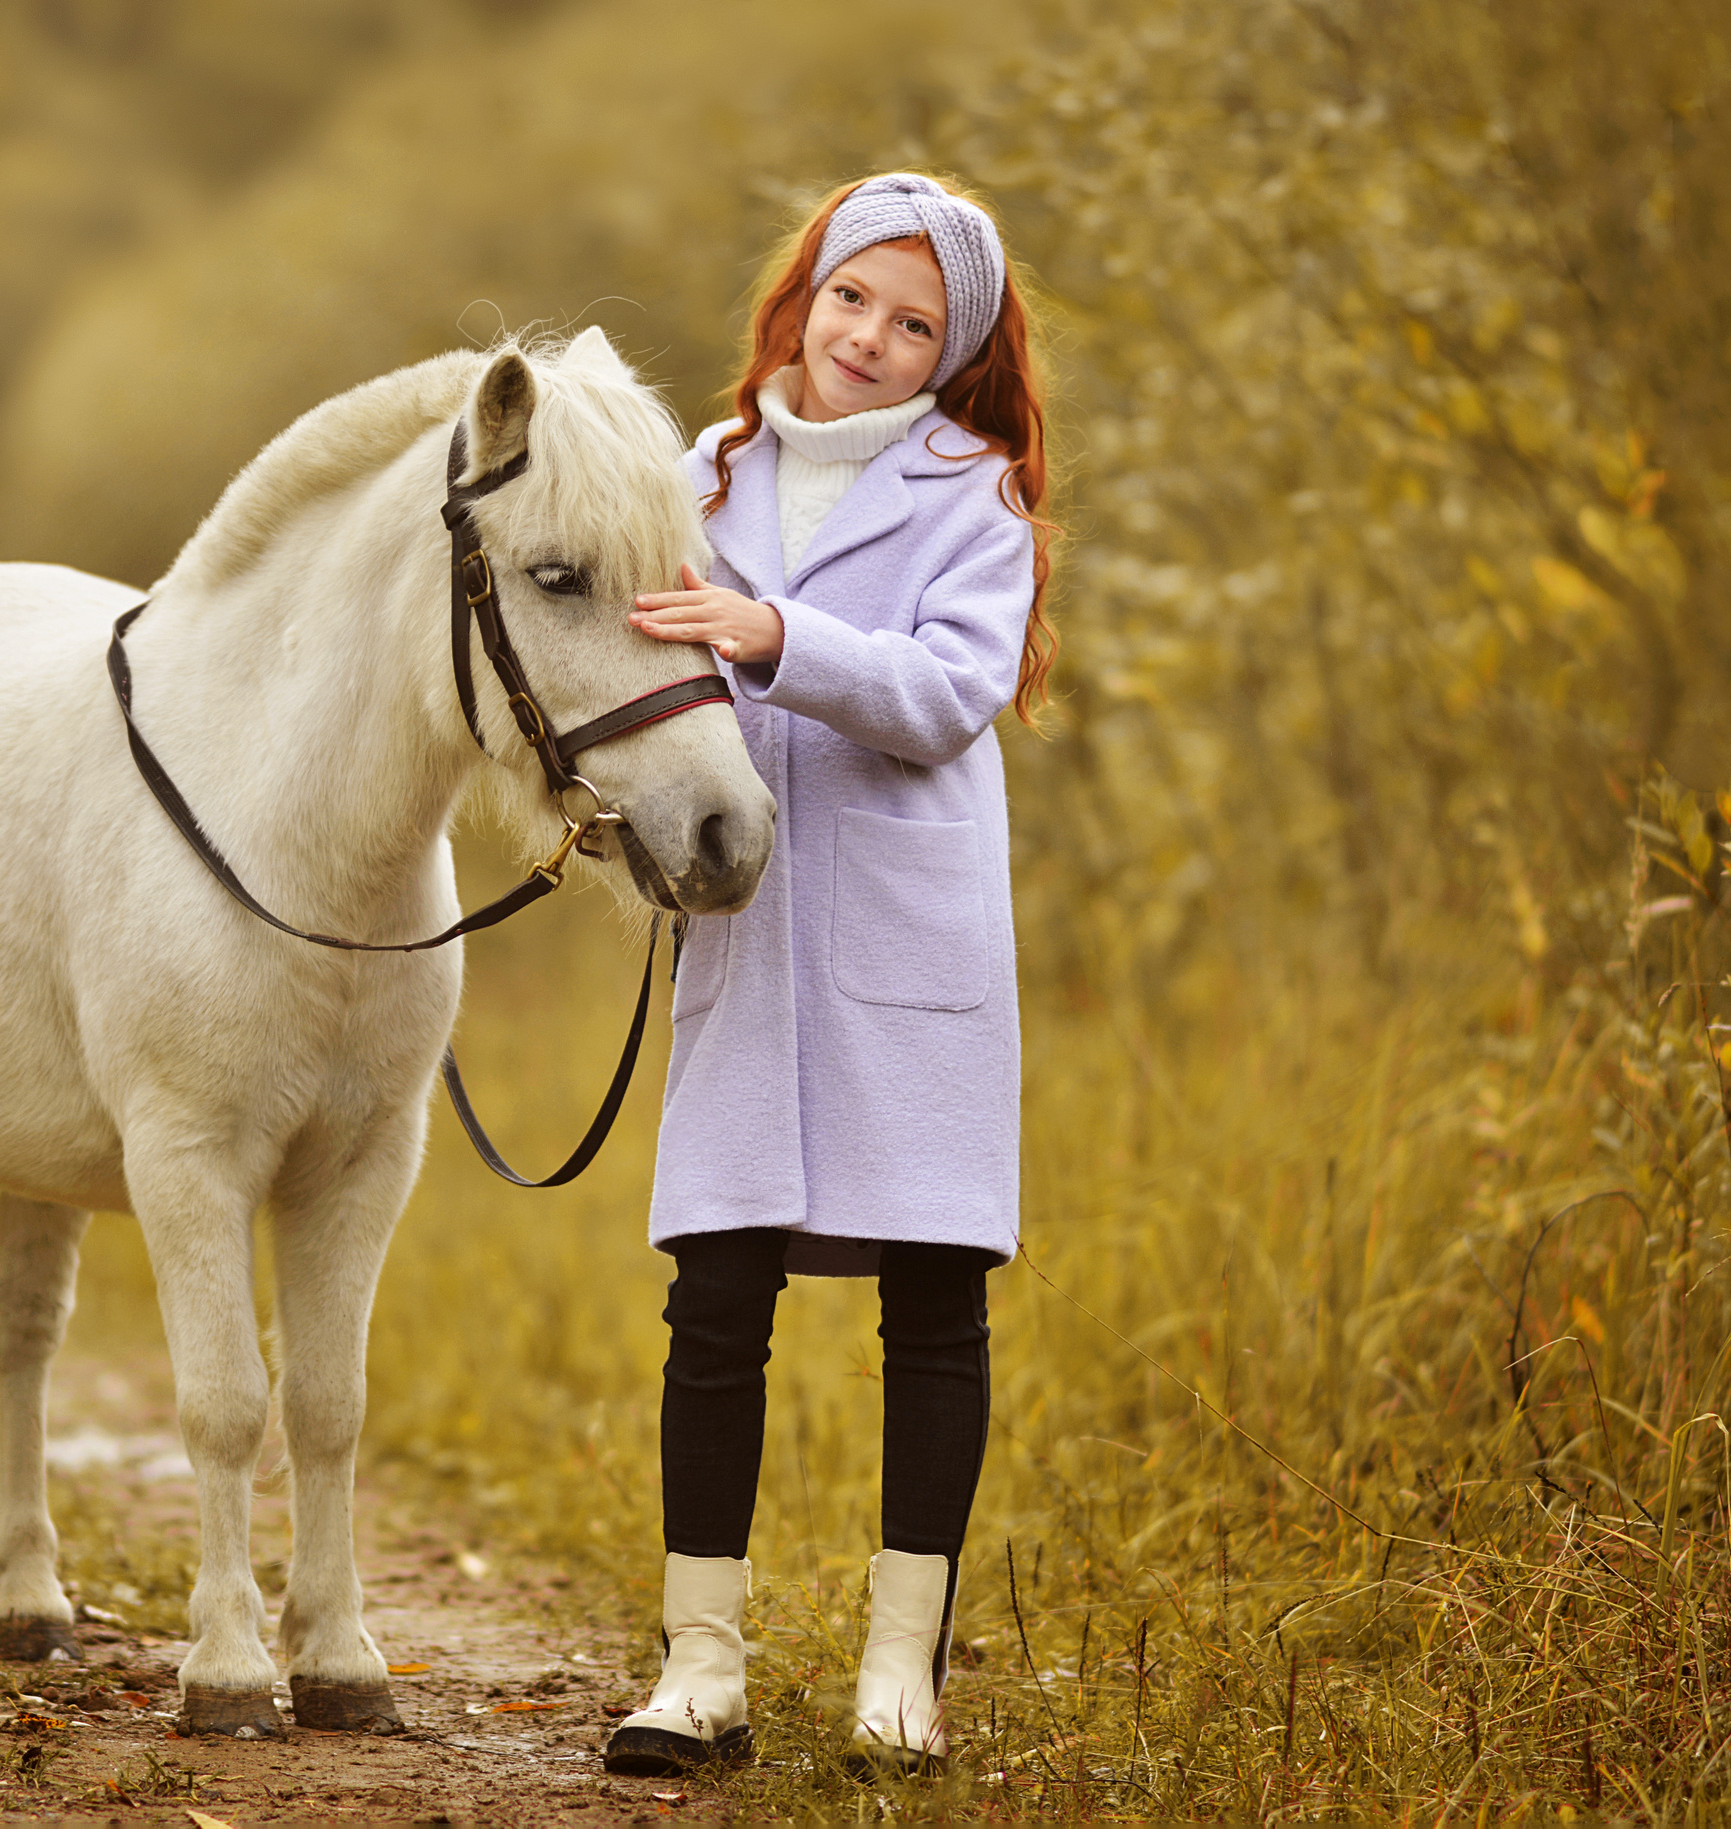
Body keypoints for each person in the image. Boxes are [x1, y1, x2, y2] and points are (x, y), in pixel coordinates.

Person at [602, 172, 1055, 1777]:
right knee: (716, 1297)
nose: (871, 337)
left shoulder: (974, 495)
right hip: (747, 939)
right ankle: (699, 1669)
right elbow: (635, 674)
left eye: (915, 322)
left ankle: (898, 1673)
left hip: (905, 949)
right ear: (801, 293)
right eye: (851, 297)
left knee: (934, 1302)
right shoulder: (696, 472)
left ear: (956, 352)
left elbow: (948, 694)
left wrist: (775, 631)